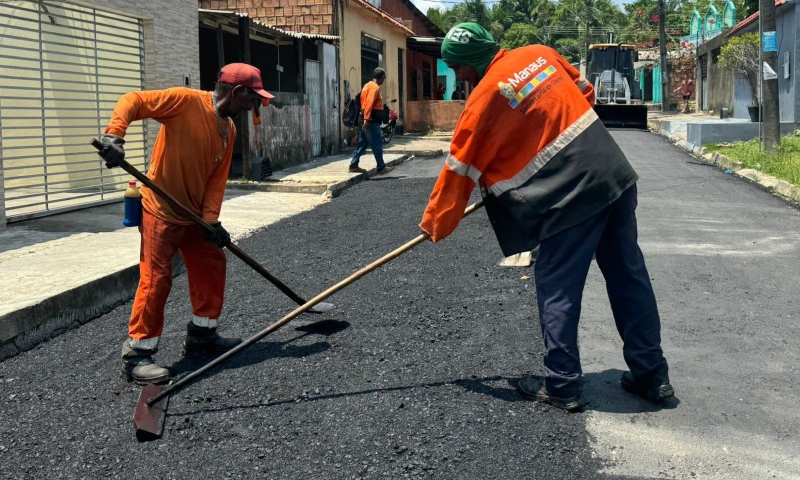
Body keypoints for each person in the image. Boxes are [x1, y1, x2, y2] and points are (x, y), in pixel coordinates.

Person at [419, 23, 673, 411]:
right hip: (612, 173)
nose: (458, 76)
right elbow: (584, 93)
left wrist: (436, 223)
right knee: (628, 275)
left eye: (457, 68)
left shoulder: (483, 100)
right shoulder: (539, 54)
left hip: (568, 197)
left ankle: (563, 384)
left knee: (557, 284)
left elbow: (459, 169)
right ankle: (652, 374)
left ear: (470, 63)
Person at [97, 63, 274, 385]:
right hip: (160, 211)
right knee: (157, 278)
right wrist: (114, 135)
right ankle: (137, 354)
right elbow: (133, 100)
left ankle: (202, 335)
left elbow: (216, 181)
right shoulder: (185, 101)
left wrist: (211, 221)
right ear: (237, 92)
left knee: (212, 262)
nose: (252, 107)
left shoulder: (229, 130)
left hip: (193, 216)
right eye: (251, 100)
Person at [349, 68, 394, 175]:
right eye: (384, 78)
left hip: (363, 118)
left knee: (362, 142)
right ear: (382, 77)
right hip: (371, 121)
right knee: (377, 142)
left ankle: (353, 165)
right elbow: (369, 102)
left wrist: (364, 118)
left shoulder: (367, 85)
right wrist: (367, 119)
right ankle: (381, 167)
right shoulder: (374, 87)